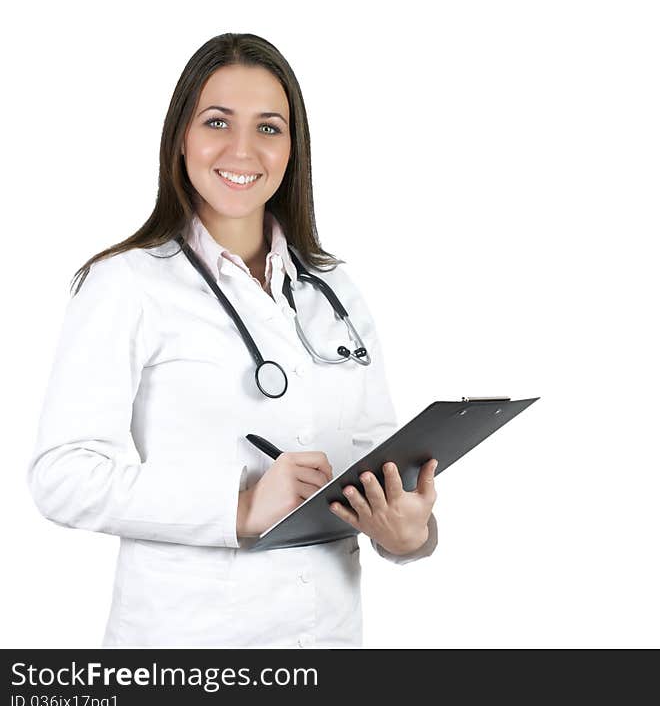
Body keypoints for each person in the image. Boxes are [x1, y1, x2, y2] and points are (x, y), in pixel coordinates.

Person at [26, 32, 439, 648]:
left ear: (293, 149)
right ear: (181, 138)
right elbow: (62, 476)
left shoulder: (334, 290)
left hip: (326, 639)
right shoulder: (126, 284)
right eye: (218, 121)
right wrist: (237, 507)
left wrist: (410, 536)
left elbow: (380, 456)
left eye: (269, 128)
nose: (243, 150)